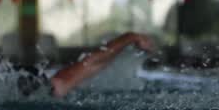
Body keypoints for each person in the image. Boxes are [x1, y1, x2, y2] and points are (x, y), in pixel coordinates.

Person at [17, 32, 153, 98]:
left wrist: (132, 37)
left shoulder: (57, 85)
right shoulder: (56, 87)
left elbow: (94, 60)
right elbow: (93, 61)